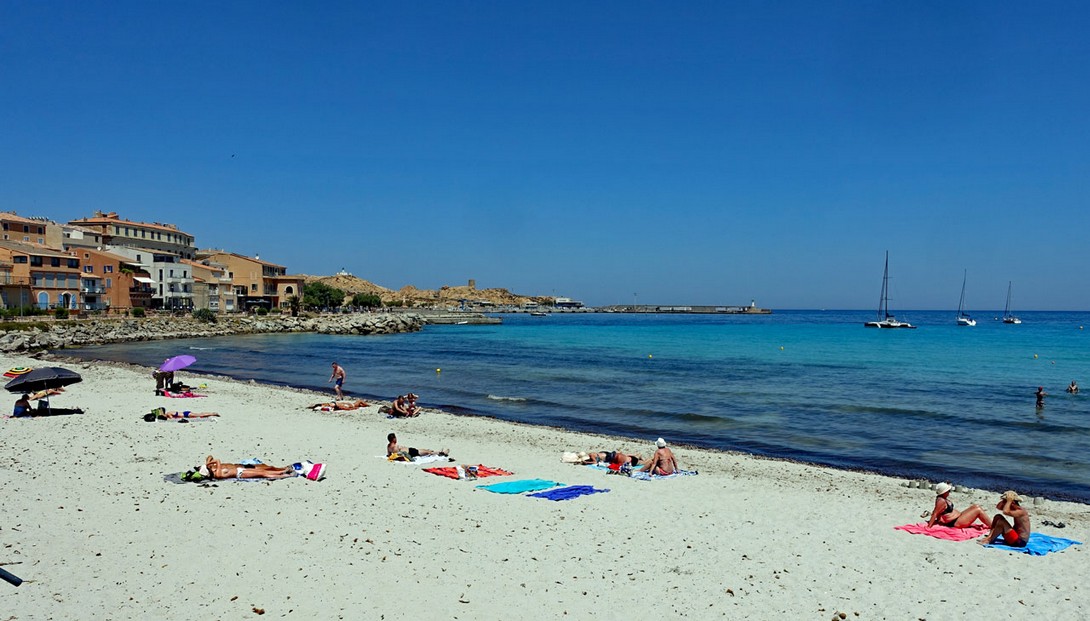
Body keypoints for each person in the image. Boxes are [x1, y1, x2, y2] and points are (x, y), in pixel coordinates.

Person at [926, 482, 991, 529]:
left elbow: (939, 512)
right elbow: (935, 513)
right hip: (956, 522)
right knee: (978, 510)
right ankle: (993, 526)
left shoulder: (942, 498)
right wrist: (929, 527)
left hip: (958, 518)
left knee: (975, 506)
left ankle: (992, 525)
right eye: (948, 491)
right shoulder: (941, 501)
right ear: (944, 492)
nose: (949, 492)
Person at [195, 455, 297, 480]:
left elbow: (209, 456)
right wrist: (209, 464)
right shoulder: (217, 474)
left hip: (240, 469)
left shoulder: (214, 469)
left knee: (266, 468)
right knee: (263, 474)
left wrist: (208, 463)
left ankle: (283, 469)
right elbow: (217, 460)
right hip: (240, 473)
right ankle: (285, 473)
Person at [143, 407, 220, 422]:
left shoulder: (169, 414)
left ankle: (212, 413)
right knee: (200, 415)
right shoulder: (168, 413)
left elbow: (172, 419)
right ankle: (211, 414)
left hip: (186, 414)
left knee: (200, 415)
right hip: (185, 414)